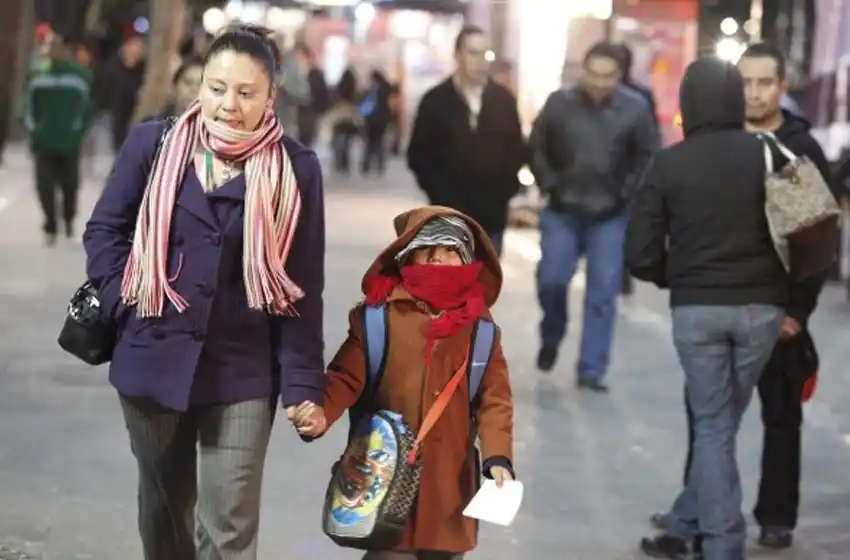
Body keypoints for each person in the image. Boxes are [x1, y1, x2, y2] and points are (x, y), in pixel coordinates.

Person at [82, 24, 326, 560]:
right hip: (154, 355)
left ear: (270, 94)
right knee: (164, 509)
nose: (228, 105)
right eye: (217, 88)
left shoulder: (296, 170)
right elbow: (105, 231)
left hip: (241, 369)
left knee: (229, 527)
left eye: (245, 92)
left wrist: (305, 383)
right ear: (201, 86)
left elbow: (302, 287)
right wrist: (127, 302)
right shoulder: (155, 144)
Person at [646, 42, 832, 553]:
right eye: (743, 83)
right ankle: (695, 518)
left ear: (781, 88)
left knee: (747, 419)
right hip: (749, 309)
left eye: (763, 83)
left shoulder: (793, 150)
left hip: (762, 311)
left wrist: (798, 310)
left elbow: (815, 240)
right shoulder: (738, 150)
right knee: (714, 421)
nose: (753, 93)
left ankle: (744, 526)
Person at [627, 56, 788, 560]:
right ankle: (687, 518)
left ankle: (721, 545)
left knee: (715, 427)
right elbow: (807, 232)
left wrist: (676, 275)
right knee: (723, 423)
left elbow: (639, 254)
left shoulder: (669, 163)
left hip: (697, 311)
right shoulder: (767, 154)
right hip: (763, 310)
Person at [293, 207, 515, 560]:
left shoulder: (481, 331)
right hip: (386, 484)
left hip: (449, 489)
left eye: (450, 252)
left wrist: (497, 456)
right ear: (408, 257)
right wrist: (321, 412)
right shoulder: (378, 319)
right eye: (428, 252)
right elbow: (346, 376)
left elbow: (494, 400)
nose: (438, 261)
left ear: (469, 262)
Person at [529, 41, 656, 391]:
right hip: (562, 209)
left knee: (603, 292)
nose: (600, 82)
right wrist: (549, 183)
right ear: (583, 71)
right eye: (594, 74)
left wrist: (626, 193)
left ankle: (591, 369)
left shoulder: (635, 110)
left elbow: (647, 155)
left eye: (608, 76)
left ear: (619, 76)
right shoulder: (559, 104)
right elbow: (537, 146)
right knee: (552, 280)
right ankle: (552, 333)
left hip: (610, 215)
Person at [407, 25, 526, 257]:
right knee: (449, 286)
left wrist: (505, 190)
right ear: (458, 56)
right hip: (446, 216)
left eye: (485, 54)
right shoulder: (435, 102)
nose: (480, 61)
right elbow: (419, 155)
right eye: (472, 53)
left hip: (490, 217)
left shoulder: (503, 101)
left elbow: (516, 150)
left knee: (482, 288)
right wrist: (439, 193)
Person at [22, 32, 92, 244]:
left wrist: (78, 132)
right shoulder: (36, 75)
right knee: (45, 185)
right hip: (44, 142)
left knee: (69, 184)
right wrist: (34, 130)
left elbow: (86, 108)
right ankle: (50, 224)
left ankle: (68, 218)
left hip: (68, 142)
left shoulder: (78, 76)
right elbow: (28, 107)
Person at [145, 56, 204, 120]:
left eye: (200, 85)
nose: (194, 89)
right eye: (188, 82)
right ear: (174, 86)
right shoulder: (151, 125)